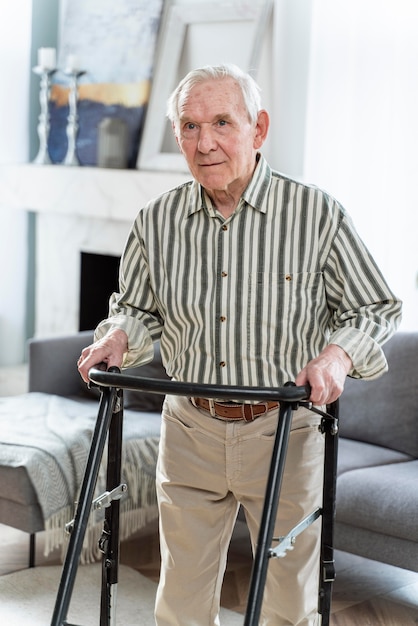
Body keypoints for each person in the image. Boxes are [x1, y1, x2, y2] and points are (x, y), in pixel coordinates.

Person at [78, 64, 402, 625]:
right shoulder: (157, 222)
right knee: (179, 599)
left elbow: (375, 306)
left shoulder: (315, 215)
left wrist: (337, 353)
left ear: (259, 129)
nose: (204, 143)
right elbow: (138, 307)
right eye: (189, 126)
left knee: (285, 603)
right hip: (189, 429)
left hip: (286, 431)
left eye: (221, 122)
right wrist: (119, 334)